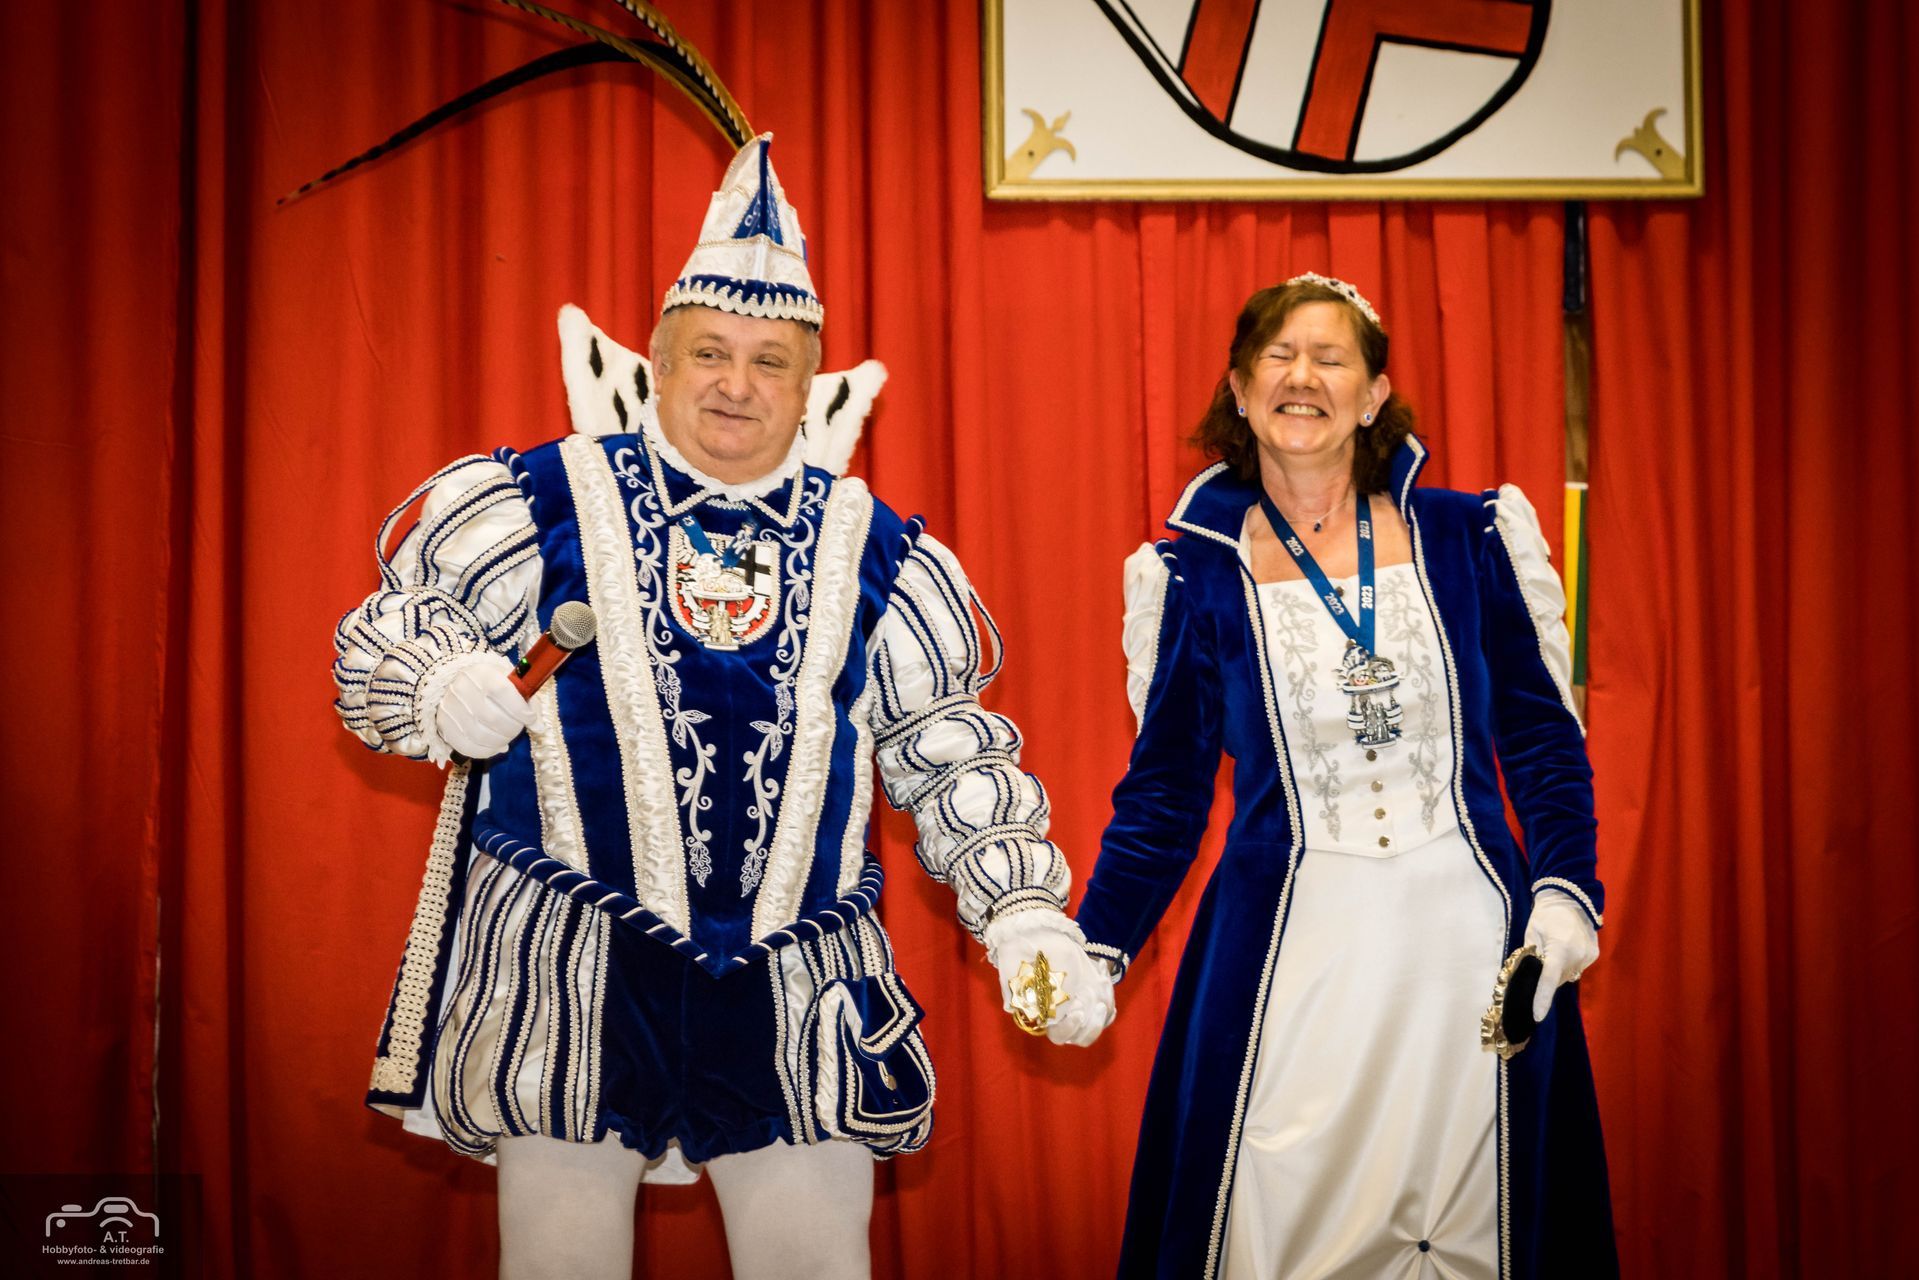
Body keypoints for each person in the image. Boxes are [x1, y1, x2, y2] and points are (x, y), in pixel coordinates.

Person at [331, 135, 1113, 1279]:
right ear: (656, 360)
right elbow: (388, 632)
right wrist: (437, 685)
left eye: (768, 361)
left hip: (799, 981)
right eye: (709, 352)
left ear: (811, 385)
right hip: (573, 969)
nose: (735, 384)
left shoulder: (879, 549)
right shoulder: (539, 500)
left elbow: (947, 753)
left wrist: (1026, 912)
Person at [1074, 275, 1614, 1278]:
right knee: (1283, 1216)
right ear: (1240, 389)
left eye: (1332, 358)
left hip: (1469, 951)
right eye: (1278, 356)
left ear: (1374, 396)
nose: (1303, 376)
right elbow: (1164, 798)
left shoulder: (1469, 537)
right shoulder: (1193, 574)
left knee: (1480, 1220)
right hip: (1292, 957)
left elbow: (1542, 739)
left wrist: (1565, 890)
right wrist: (1095, 947)